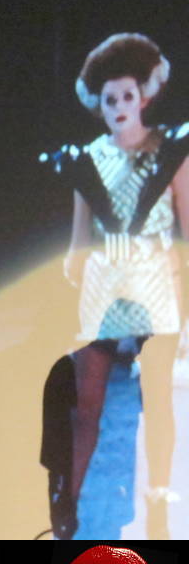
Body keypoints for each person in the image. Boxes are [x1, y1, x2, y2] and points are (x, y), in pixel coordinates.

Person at [56, 33, 189, 538]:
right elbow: (78, 241)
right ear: (100, 103)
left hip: (157, 288)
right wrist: (75, 271)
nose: (118, 107)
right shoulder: (89, 157)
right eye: (109, 99)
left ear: (143, 97)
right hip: (105, 290)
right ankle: (69, 498)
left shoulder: (170, 152)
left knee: (157, 400)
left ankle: (158, 498)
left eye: (126, 97)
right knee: (87, 403)